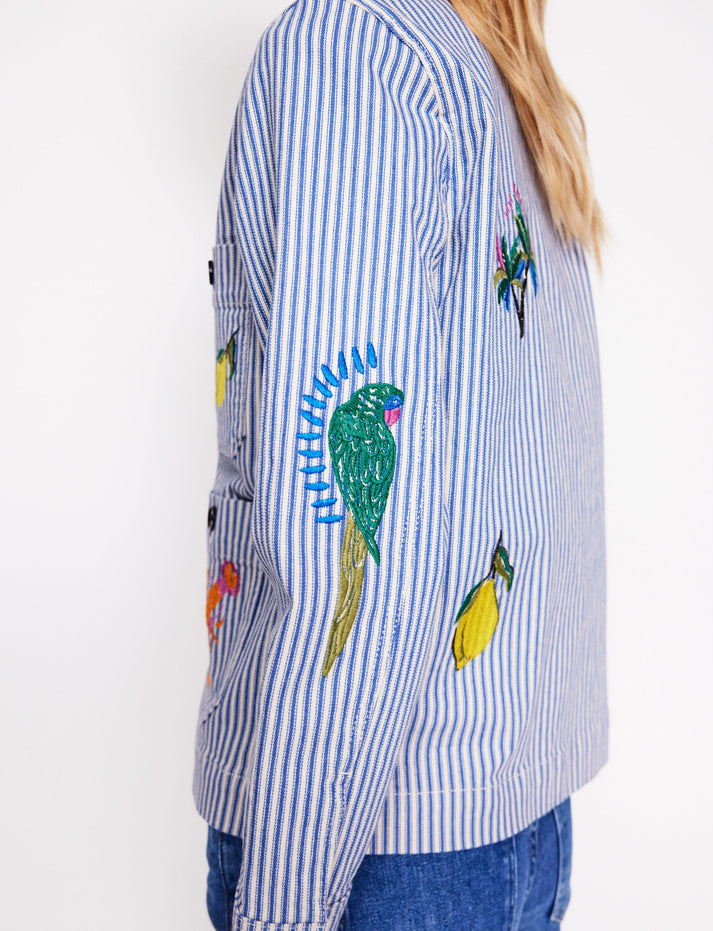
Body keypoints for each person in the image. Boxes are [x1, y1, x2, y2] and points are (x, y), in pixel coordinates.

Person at [193, 0, 608, 927]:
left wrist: (283, 901)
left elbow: (358, 566)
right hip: (509, 821)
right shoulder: (478, 66)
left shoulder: (353, 51)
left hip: (374, 850)